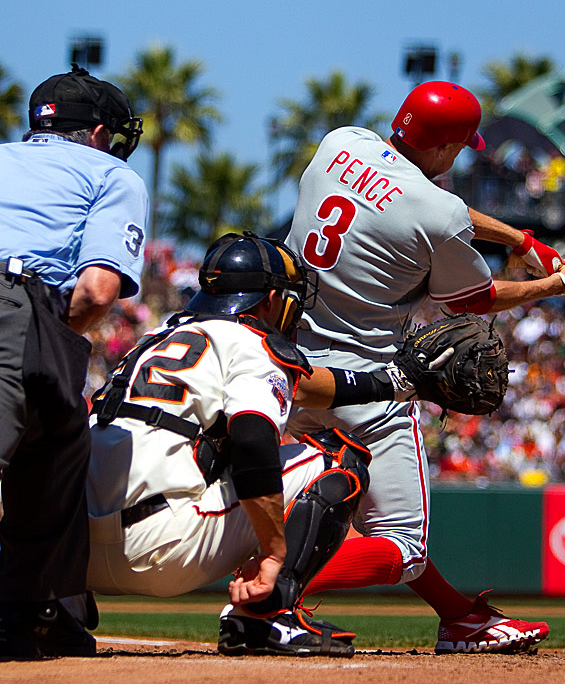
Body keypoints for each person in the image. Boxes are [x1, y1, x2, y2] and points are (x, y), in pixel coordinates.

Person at [284, 80, 565, 654]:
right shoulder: (437, 212)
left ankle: (461, 617)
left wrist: (522, 239)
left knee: (308, 506)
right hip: (366, 385)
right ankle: (267, 593)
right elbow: (472, 299)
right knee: (403, 545)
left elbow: (421, 203)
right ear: (448, 148)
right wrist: (554, 285)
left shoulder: (340, 142)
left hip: (286, 369)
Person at [84, 232, 431, 658]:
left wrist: (391, 383)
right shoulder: (251, 342)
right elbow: (252, 437)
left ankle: (48, 611)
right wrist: (273, 550)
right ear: (269, 299)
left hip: (73, 555)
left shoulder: (156, 339)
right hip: (159, 549)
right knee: (339, 456)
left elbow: (307, 386)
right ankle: (268, 613)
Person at [0, 65, 147, 660]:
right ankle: (35, 613)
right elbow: (97, 292)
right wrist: (45, 336)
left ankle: (39, 617)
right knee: (53, 455)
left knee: (61, 441)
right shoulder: (110, 172)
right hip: (19, 308)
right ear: (95, 133)